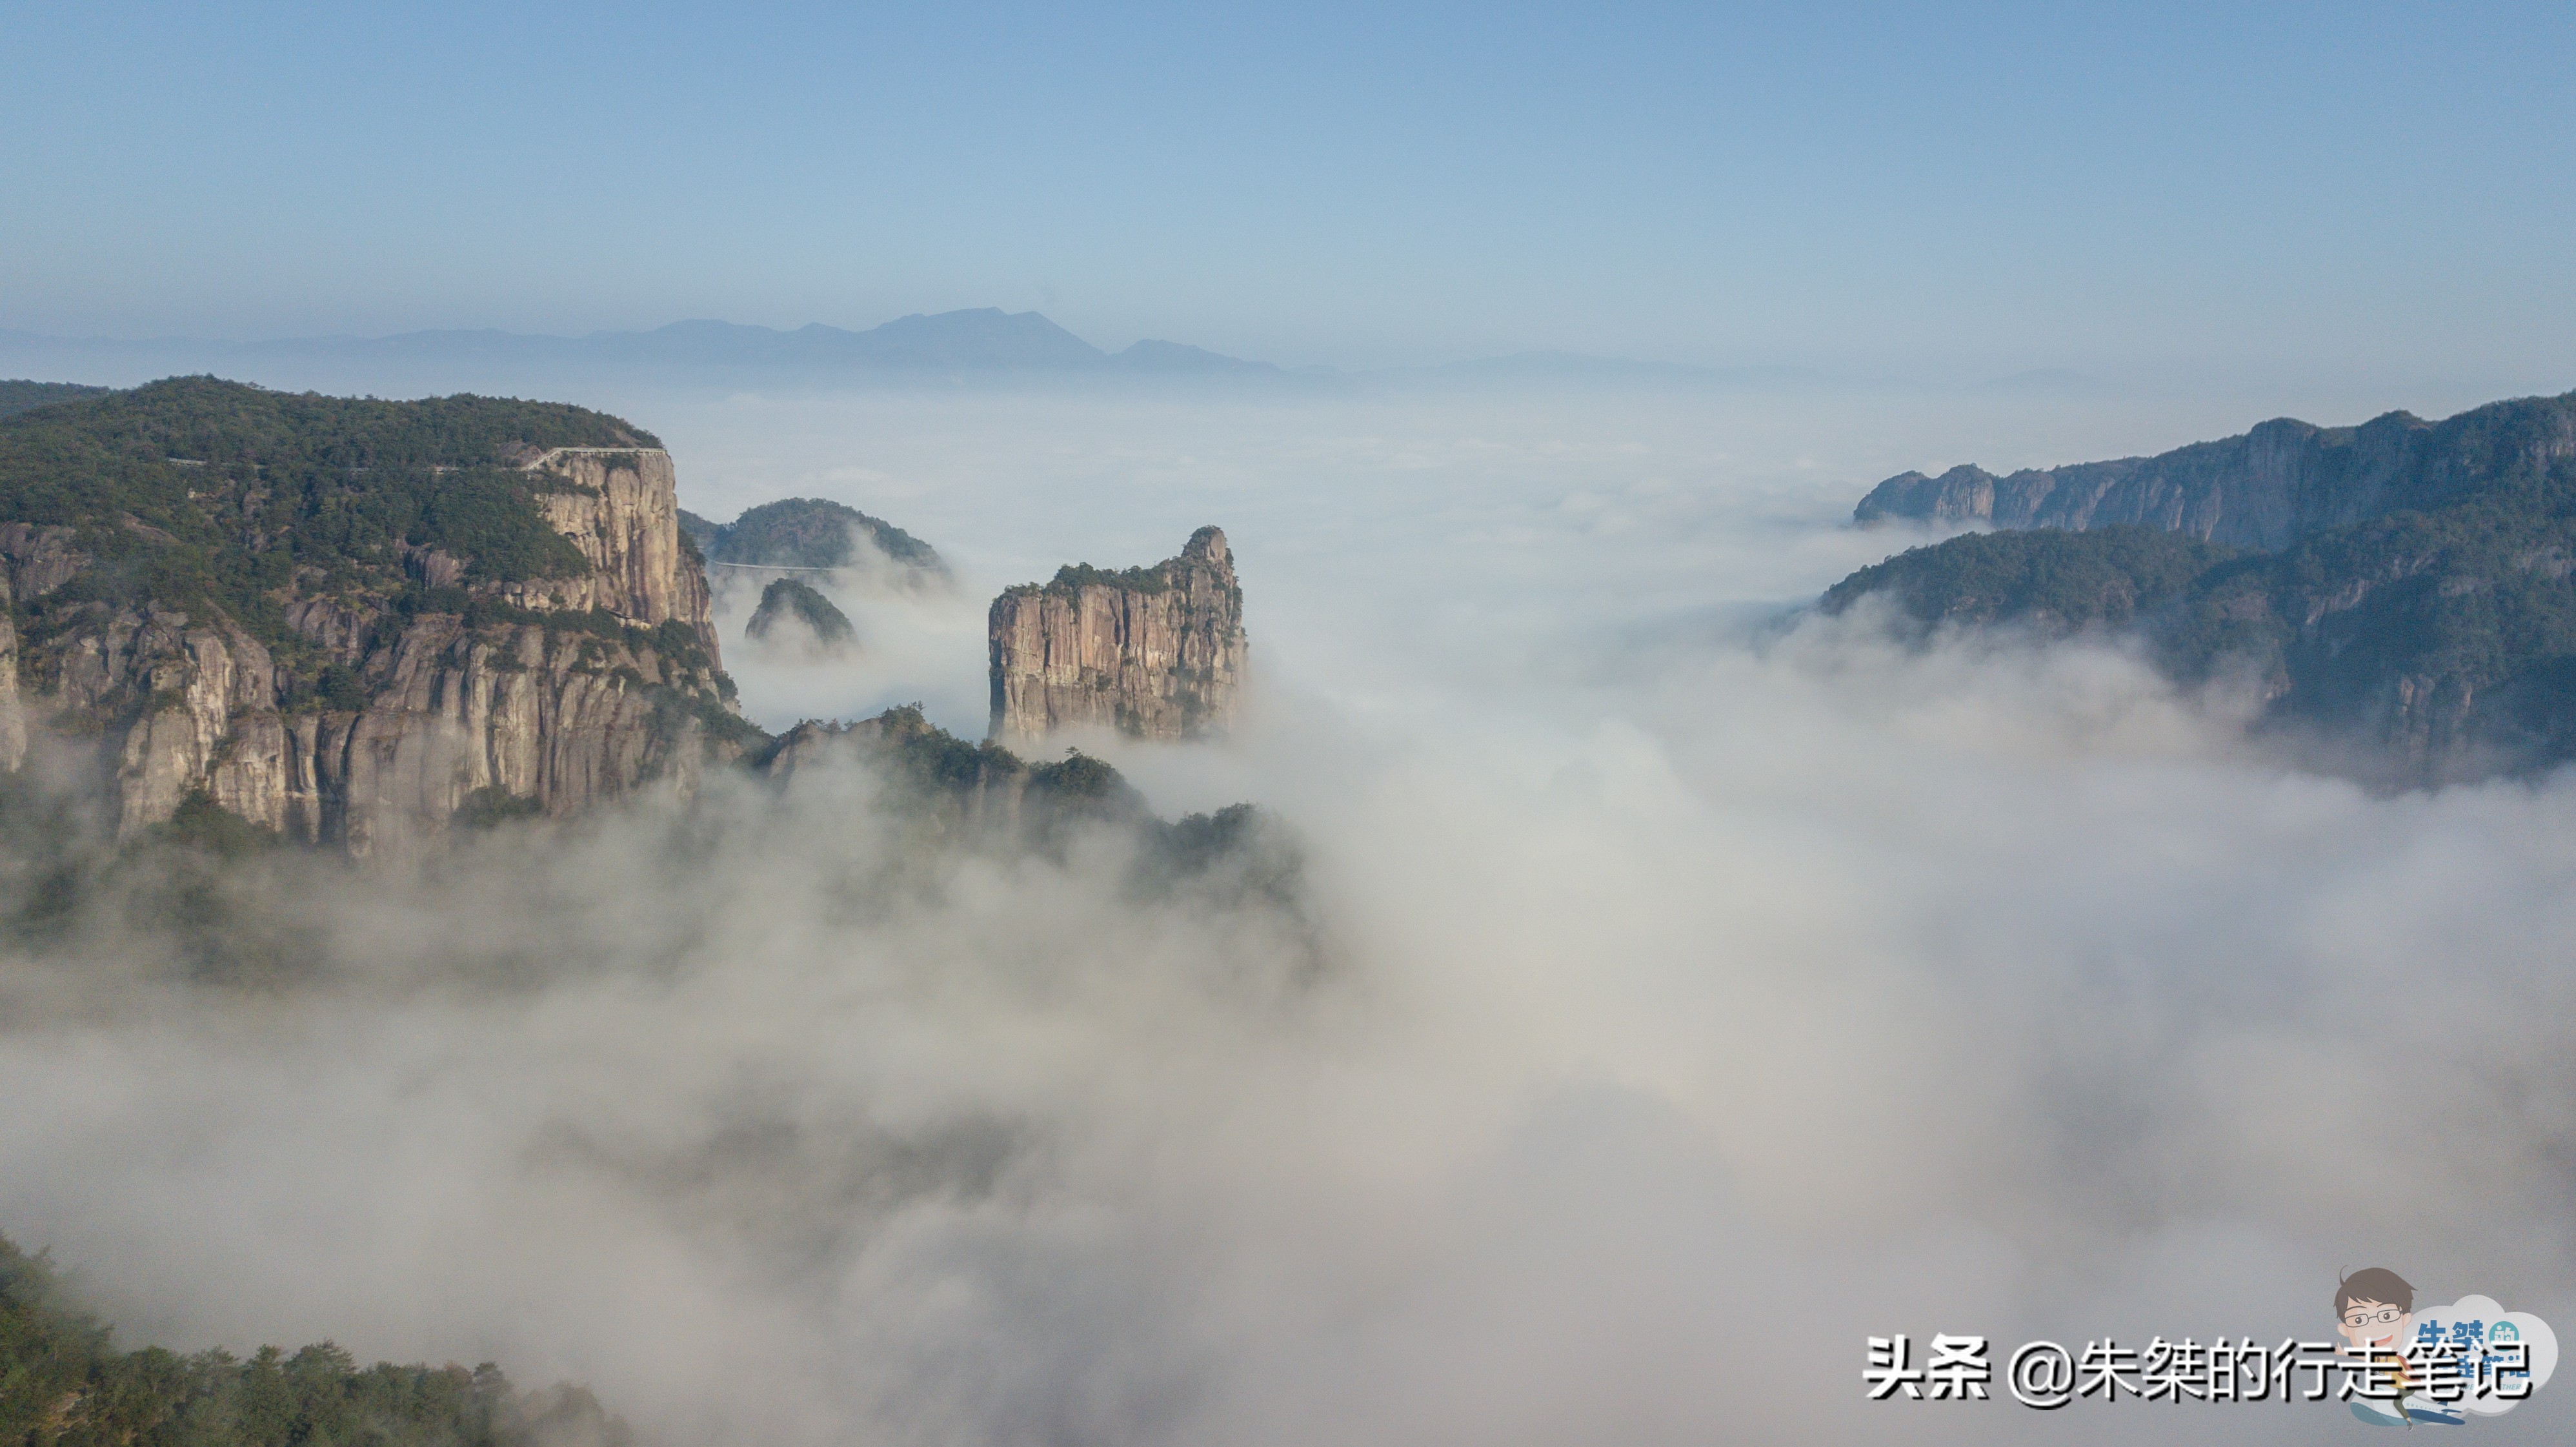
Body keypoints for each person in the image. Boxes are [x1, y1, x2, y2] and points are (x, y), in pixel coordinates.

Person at [2336, 1268, 2462, 1426]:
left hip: (2407, 1387)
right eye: (2359, 1319)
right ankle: (2414, 1416)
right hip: (2400, 1384)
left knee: (2394, 1397)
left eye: (2386, 1315)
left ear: (2404, 1319)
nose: (2375, 1326)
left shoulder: (2396, 1358)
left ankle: (2415, 1417)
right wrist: (2345, 1353)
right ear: (2344, 1329)